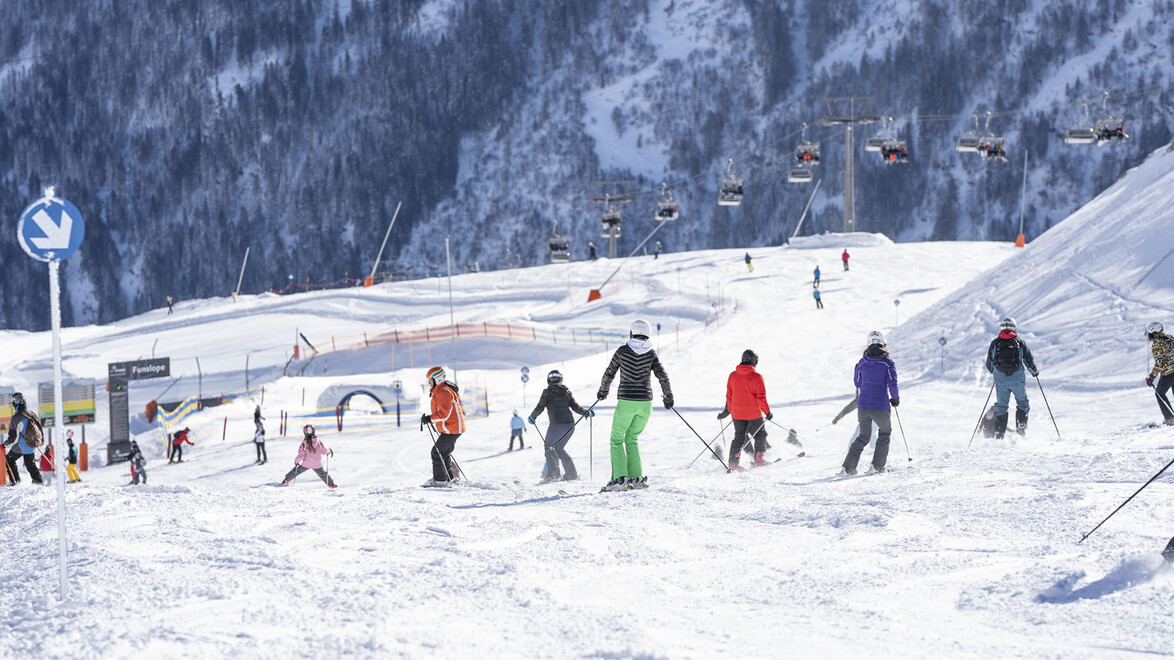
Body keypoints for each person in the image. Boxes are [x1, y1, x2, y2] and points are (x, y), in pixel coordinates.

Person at [597, 319, 674, 491]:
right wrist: (668, 396)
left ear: (631, 333)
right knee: (632, 439)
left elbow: (610, 372)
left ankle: (619, 479)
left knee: (616, 440)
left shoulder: (623, 351)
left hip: (627, 401)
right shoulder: (651, 353)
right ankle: (636, 479)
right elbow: (663, 376)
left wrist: (603, 391)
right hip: (646, 404)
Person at [840, 331, 900, 475]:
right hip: (880, 406)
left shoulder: (861, 363)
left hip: (863, 406)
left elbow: (857, 382)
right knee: (885, 433)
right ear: (883, 344)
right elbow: (893, 383)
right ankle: (877, 467)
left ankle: (848, 468)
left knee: (863, 436)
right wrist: (895, 399)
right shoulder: (888, 363)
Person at [530, 370, 593, 483]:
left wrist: (532, 417)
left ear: (549, 380)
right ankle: (571, 475)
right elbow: (575, 406)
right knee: (558, 449)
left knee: (549, 448)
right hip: (569, 426)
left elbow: (540, 407)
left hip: (556, 425)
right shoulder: (566, 391)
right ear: (561, 379)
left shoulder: (547, 392)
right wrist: (586, 412)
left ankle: (553, 476)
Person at [716, 349, 772, 470]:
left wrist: (728, 411)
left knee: (739, 437)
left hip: (737, 415)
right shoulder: (757, 377)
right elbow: (761, 398)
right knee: (760, 434)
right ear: (754, 361)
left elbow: (729, 396)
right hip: (754, 414)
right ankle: (759, 459)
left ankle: (733, 463)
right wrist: (767, 412)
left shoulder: (732, 376)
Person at [984, 317, 1038, 437]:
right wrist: (1034, 372)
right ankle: (1021, 431)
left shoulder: (995, 343)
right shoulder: (1020, 342)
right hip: (1017, 380)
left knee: (1001, 406)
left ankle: (999, 435)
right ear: (1015, 327)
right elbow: (1028, 360)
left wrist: (995, 372)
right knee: (1022, 403)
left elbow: (989, 364)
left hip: (1001, 381)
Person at [422, 366, 465, 486]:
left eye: (430, 380)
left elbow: (444, 414)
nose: (429, 383)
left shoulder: (443, 392)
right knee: (443, 453)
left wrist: (430, 418)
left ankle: (440, 481)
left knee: (436, 452)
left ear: (438, 379)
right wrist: (430, 418)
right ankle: (448, 479)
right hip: (451, 428)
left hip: (452, 428)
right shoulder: (440, 390)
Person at [4, 392, 44, 485]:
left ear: (16, 402)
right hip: (32, 444)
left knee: (9, 459)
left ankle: (15, 481)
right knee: (30, 464)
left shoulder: (16, 418)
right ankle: (38, 481)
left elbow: (13, 438)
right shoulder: (32, 413)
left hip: (21, 446)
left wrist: (5, 445)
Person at [1145, 322, 1174, 425]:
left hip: (1169, 373)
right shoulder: (1170, 338)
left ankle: (1170, 419)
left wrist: (1151, 378)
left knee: (1159, 393)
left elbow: (1160, 363)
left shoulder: (1157, 343)